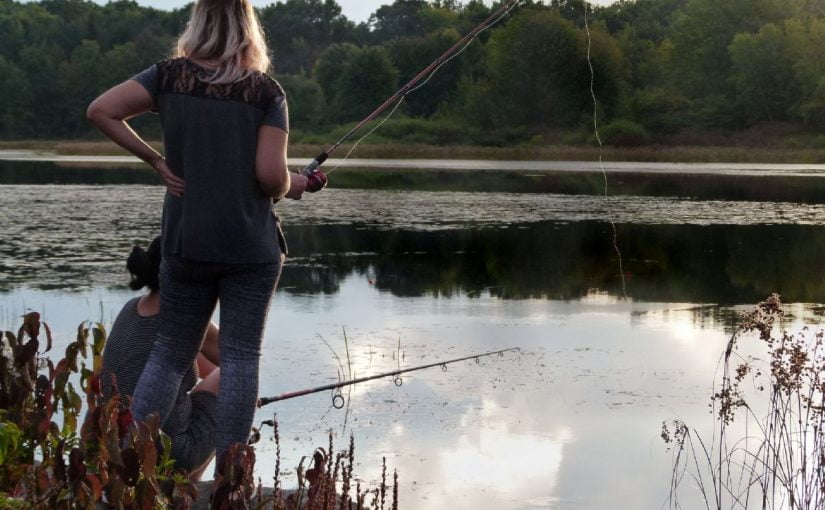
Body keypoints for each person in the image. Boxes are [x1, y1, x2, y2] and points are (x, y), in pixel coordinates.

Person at [87, 0, 327, 468]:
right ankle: (229, 483)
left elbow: (102, 110)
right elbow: (268, 177)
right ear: (247, 27)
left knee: (171, 355)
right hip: (250, 248)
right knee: (239, 361)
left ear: (198, 22)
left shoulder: (167, 77)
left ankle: (138, 467)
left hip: (185, 242)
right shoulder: (265, 92)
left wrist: (156, 160)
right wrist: (294, 185)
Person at [101, 238, 220, 480]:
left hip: (117, 444)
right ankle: (190, 483)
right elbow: (239, 361)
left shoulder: (131, 308)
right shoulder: (187, 317)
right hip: (168, 452)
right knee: (235, 380)